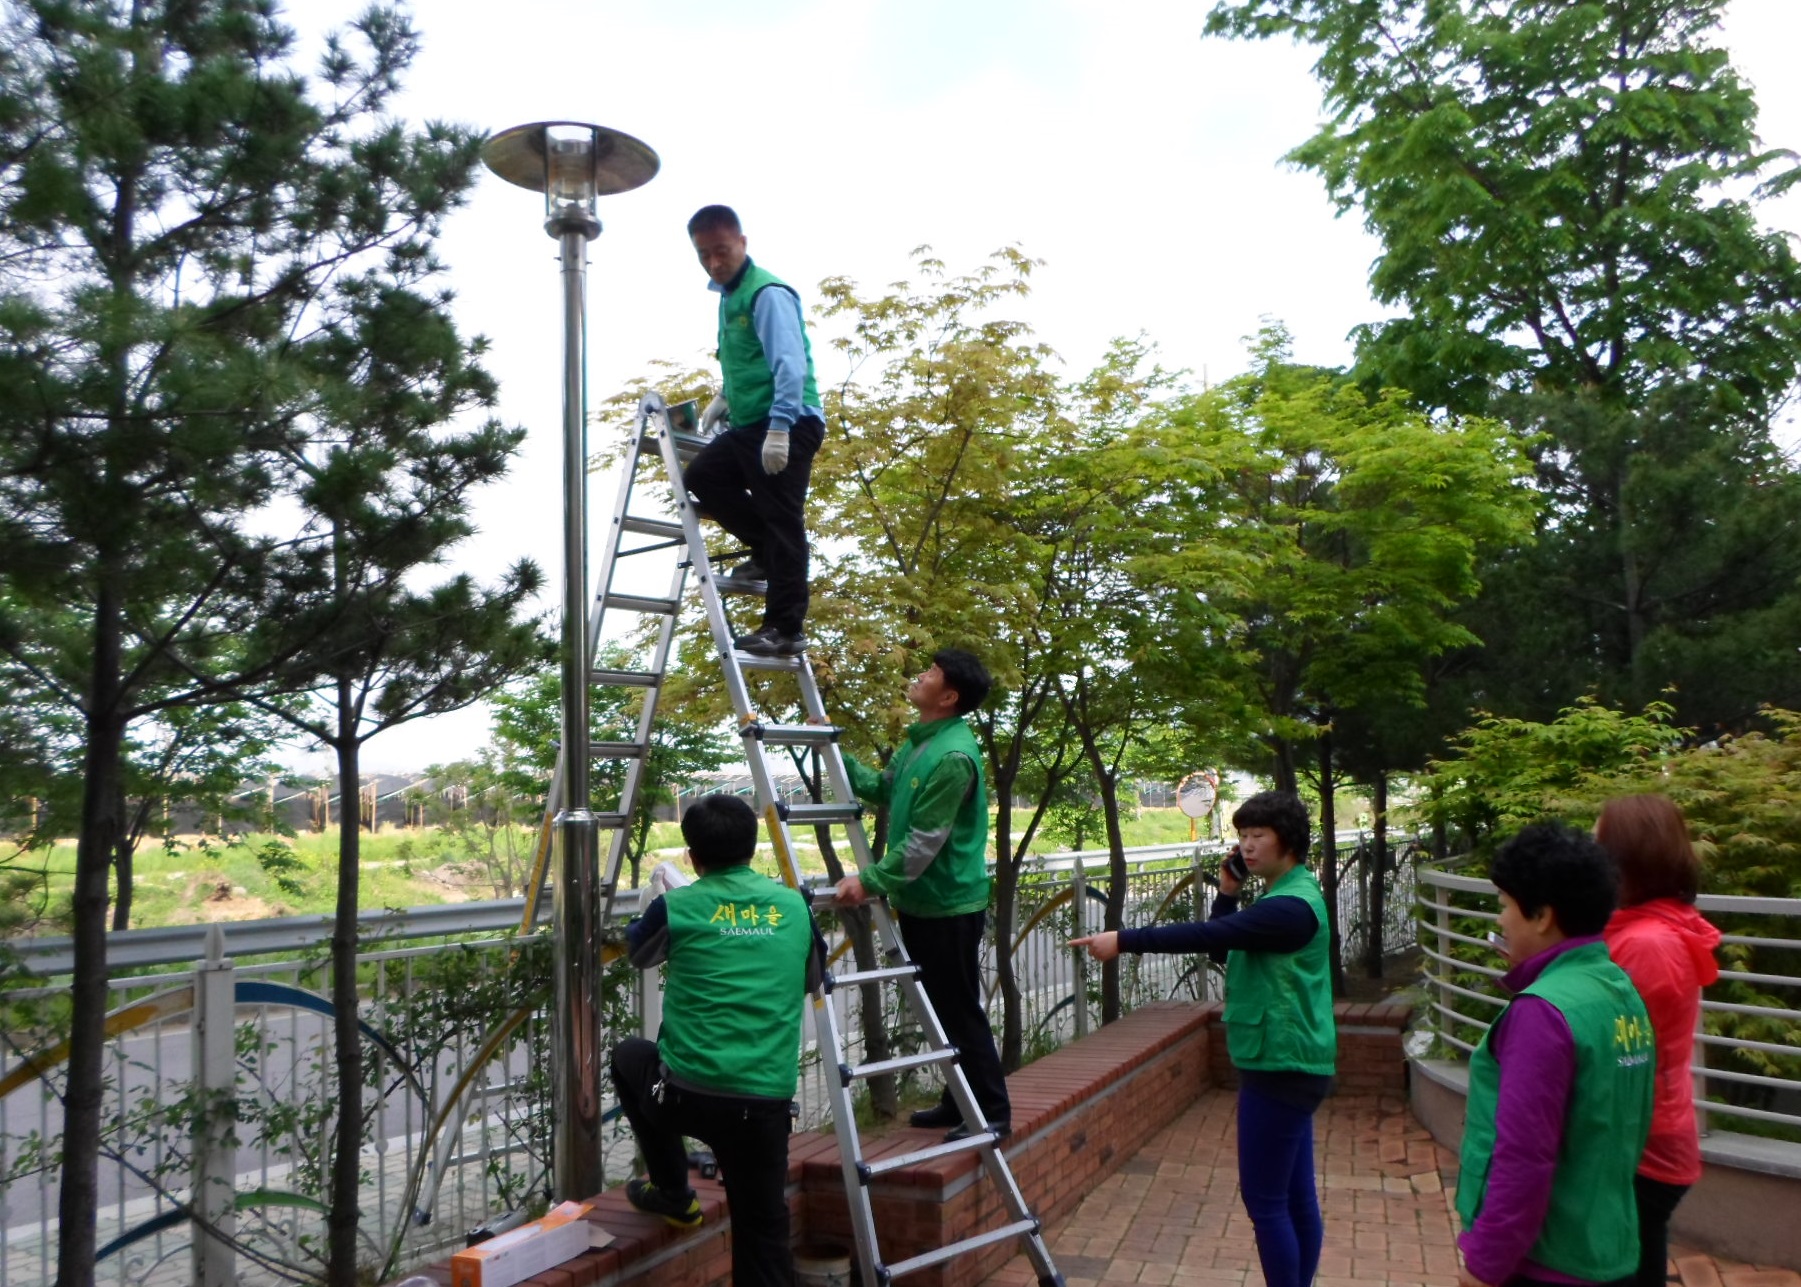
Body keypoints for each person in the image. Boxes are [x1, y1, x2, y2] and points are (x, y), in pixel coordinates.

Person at [1072, 790, 1335, 1287]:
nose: (1248, 846)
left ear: (1289, 840)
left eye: (1259, 835)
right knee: (1295, 1198)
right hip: (1287, 1061)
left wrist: (1124, 940)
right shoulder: (1286, 896)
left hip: (1281, 1064)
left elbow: (1206, 937)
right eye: (1242, 836)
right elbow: (1225, 945)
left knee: (1267, 1201)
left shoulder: (1290, 909)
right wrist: (1227, 891)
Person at [610, 793, 819, 1287]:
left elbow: (637, 954)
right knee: (763, 1231)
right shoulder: (794, 906)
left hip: (687, 1095)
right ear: (751, 849)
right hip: (763, 1101)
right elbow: (812, 979)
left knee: (629, 1056)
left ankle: (674, 1193)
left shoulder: (676, 906)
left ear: (693, 857)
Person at [1456, 822, 1655, 1287]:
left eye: (1505, 905)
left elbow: (1524, 1155)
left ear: (1542, 915)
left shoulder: (1543, 1013)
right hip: (1609, 1244)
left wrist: (1485, 1263)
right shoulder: (1617, 989)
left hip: (1546, 1258)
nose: (1500, 920)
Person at [832, 649, 1009, 1142]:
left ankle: (993, 1113)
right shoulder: (921, 745)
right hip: (923, 902)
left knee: (958, 1009)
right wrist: (832, 752)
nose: (921, 676)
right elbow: (884, 788)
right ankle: (958, 1102)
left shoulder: (952, 756)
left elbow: (923, 843)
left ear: (948, 696)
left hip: (948, 905)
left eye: (931, 674)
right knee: (941, 1008)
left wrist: (868, 881)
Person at [682, 204, 825, 659]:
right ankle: (763, 550)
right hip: (749, 423)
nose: (714, 262)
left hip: (788, 421)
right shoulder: (728, 295)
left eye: (721, 251)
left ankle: (786, 629)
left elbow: (788, 364)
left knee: (783, 519)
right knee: (704, 478)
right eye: (704, 255)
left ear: (742, 243)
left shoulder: (768, 293)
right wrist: (726, 396)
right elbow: (748, 357)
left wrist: (780, 428)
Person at [1596, 795, 1720, 1287]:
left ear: (1627, 857)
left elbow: (1614, 1044)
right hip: (1640, 1137)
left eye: (1598, 843)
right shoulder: (1641, 930)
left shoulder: (1649, 943)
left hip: (1640, 1145)